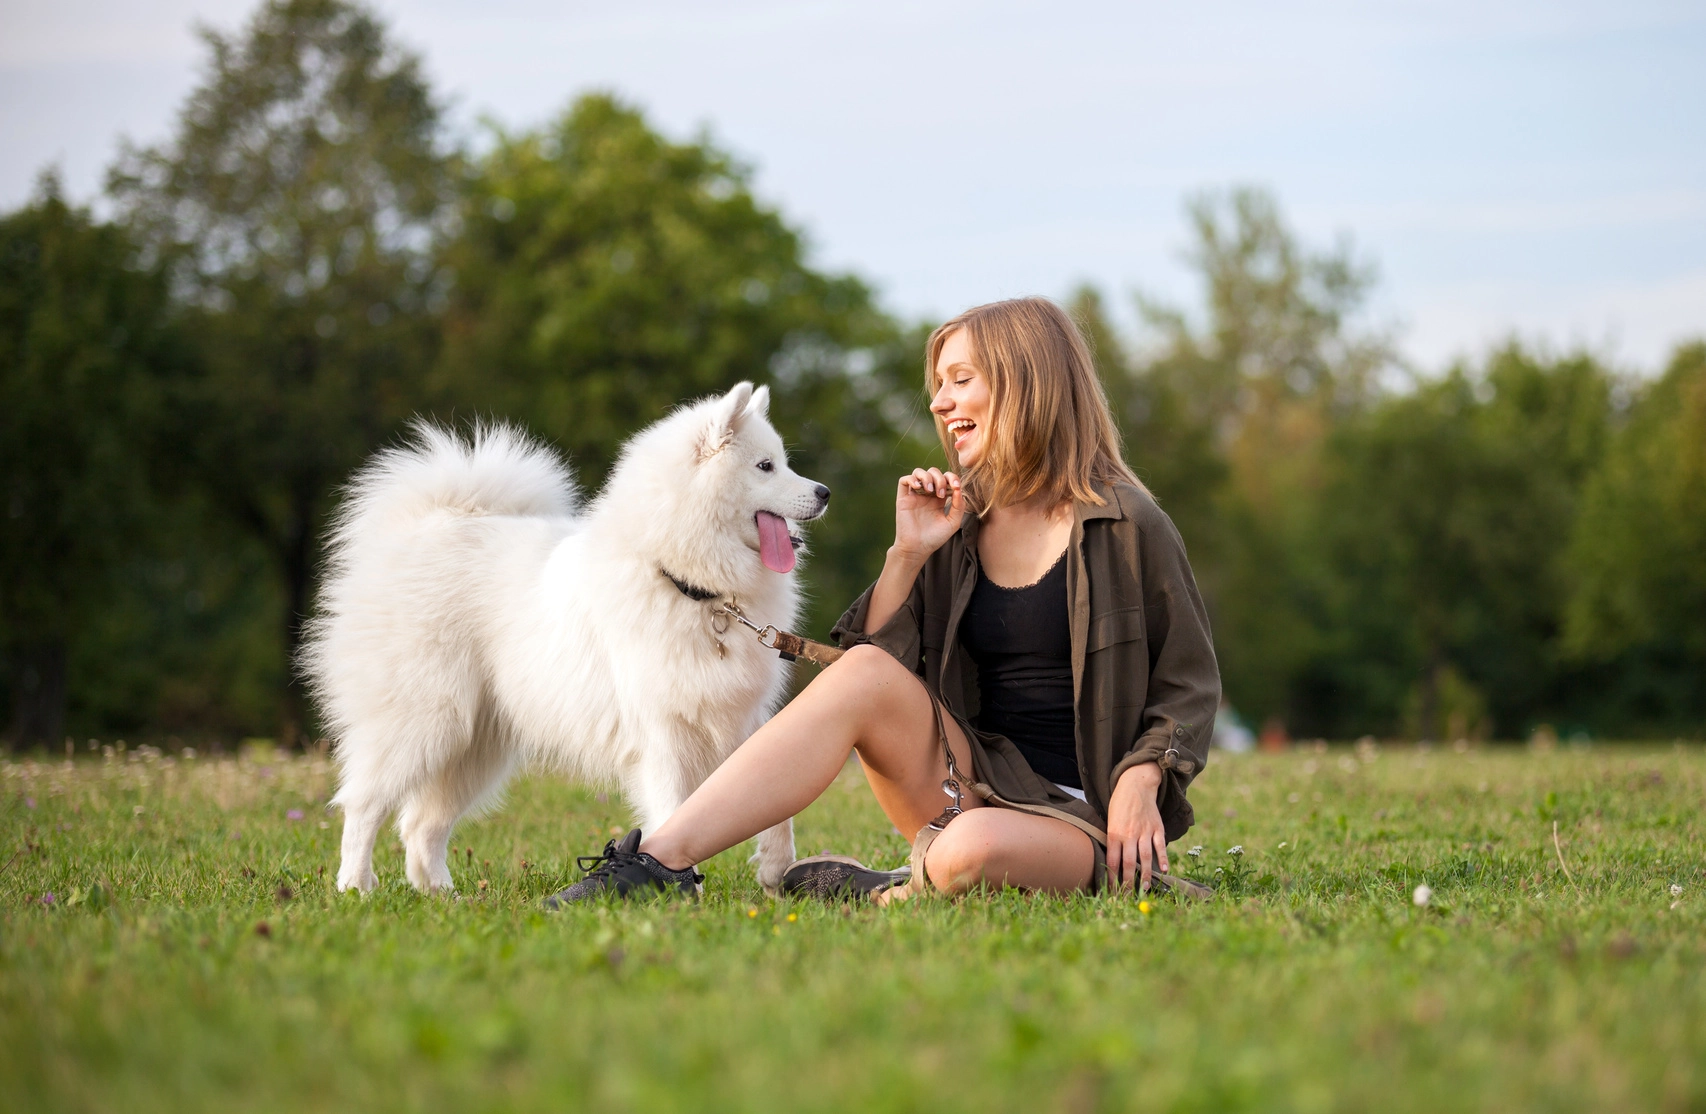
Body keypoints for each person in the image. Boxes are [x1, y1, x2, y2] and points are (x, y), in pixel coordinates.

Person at [547, 296, 1220, 904]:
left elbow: (1188, 681)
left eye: (961, 380)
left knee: (971, 850)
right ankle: (656, 865)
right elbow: (861, 671)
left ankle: (891, 892)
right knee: (872, 682)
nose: (939, 403)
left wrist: (1145, 773)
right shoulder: (961, 523)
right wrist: (910, 552)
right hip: (968, 780)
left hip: (1079, 815)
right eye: (939, 386)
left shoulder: (1127, 524)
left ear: (1026, 383)